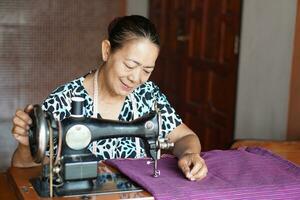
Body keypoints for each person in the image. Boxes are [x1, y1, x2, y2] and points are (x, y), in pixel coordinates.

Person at [11, 15, 207, 181]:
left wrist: (189, 154)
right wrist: (26, 145)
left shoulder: (148, 94)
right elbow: (24, 167)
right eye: (130, 65)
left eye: (147, 70)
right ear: (107, 50)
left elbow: (185, 137)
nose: (136, 78)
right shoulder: (65, 100)